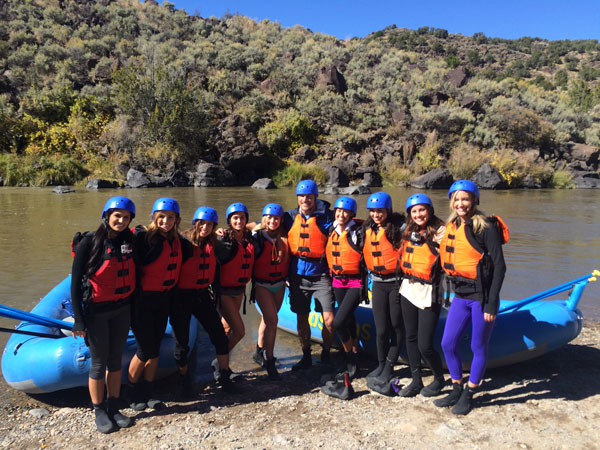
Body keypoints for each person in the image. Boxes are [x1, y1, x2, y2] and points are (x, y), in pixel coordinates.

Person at [434, 180, 506, 415]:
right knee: (447, 343)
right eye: (456, 199)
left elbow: (500, 267)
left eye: (465, 199)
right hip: (460, 295)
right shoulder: (451, 226)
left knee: (478, 346)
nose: (461, 203)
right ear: (452, 202)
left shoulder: (485, 228)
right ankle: (456, 386)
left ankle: (470, 392)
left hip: (481, 297)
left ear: (475, 200)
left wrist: (492, 303)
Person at [71, 196, 136, 433]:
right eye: (117, 215)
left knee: (115, 360)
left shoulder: (130, 239)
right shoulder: (89, 242)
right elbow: (76, 283)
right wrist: (79, 319)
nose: (121, 220)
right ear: (107, 215)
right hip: (97, 312)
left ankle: (113, 405)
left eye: (126, 217)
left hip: (121, 309)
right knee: (98, 363)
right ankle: (98, 409)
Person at [172, 206, 236, 393]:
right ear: (195, 223)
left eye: (210, 225)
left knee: (219, 337)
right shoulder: (182, 242)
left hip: (201, 296)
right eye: (202, 224)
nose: (205, 228)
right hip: (181, 298)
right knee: (181, 345)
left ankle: (224, 377)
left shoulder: (214, 244)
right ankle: (184, 381)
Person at [128, 197, 182, 411]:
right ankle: (131, 392)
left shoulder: (177, 240)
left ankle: (148, 392)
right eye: (162, 217)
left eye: (170, 218)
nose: (166, 221)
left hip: (163, 299)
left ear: (176, 220)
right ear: (155, 217)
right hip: (142, 301)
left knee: (155, 348)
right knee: (144, 349)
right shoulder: (143, 237)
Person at [394, 193, 446, 397]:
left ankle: (439, 379)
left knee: (425, 344)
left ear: (430, 210)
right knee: (411, 336)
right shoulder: (407, 229)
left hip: (429, 291)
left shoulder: (441, 231)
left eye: (422, 210)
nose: (418, 214)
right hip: (408, 286)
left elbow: (450, 250)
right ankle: (416, 380)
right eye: (414, 211)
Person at [285, 180, 335, 369]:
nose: (305, 199)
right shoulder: (289, 217)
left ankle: (326, 353)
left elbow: (349, 224)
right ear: (297, 198)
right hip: (298, 276)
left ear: (315, 197)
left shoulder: (326, 218)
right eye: (302, 196)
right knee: (301, 317)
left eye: (309, 196)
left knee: (329, 321)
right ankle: (306, 355)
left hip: (321, 275)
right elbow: (264, 223)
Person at [362, 192, 405, 393]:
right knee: (380, 330)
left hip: (396, 283)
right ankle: (381, 364)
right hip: (378, 283)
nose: (376, 214)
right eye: (373, 211)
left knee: (396, 326)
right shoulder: (366, 228)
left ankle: (389, 366)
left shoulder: (399, 228)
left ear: (388, 210)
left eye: (380, 211)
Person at [325, 196, 363, 378]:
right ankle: (355, 352)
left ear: (351, 214)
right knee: (348, 319)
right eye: (339, 211)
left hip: (356, 282)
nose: (341, 214)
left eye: (345, 211)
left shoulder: (359, 231)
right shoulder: (331, 229)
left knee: (338, 322)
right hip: (338, 281)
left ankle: (350, 360)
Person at [251, 203, 290, 380]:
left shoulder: (285, 237)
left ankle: (259, 352)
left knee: (267, 320)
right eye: (269, 218)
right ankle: (270, 359)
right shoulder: (256, 237)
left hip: (280, 284)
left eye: (276, 218)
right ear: (264, 219)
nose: (273, 221)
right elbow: (243, 228)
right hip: (262, 285)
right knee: (273, 319)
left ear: (281, 220)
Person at [217, 203, 254, 357]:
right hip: (224, 291)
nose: (239, 221)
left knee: (228, 329)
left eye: (242, 218)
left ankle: (223, 362)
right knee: (239, 331)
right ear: (229, 221)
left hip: (239, 291)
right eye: (235, 218)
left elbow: (259, 224)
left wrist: (252, 226)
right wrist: (214, 231)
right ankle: (219, 361)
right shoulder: (222, 239)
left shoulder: (249, 237)